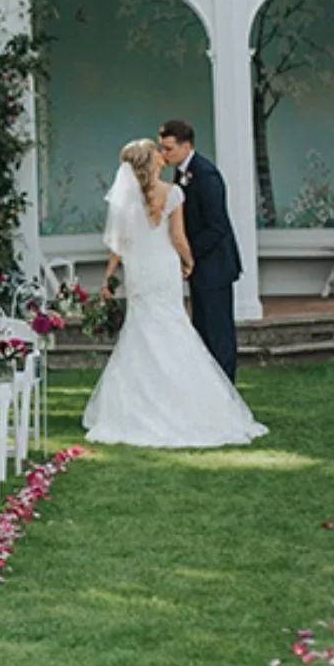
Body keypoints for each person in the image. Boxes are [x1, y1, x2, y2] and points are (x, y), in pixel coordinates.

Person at [82, 138, 266, 448]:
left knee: (140, 329)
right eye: (157, 151)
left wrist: (108, 276)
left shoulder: (126, 199)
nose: (161, 154)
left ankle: (139, 405)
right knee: (173, 325)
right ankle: (189, 402)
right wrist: (189, 261)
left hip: (139, 269)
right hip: (164, 267)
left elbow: (119, 244)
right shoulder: (172, 193)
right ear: (150, 160)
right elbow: (178, 237)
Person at [158, 119, 242, 380]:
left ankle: (226, 388)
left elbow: (217, 226)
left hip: (215, 266)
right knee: (202, 330)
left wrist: (188, 254)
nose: (164, 154)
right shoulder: (181, 172)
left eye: (169, 149)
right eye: (162, 148)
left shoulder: (206, 175)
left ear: (186, 146)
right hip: (200, 266)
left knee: (218, 333)